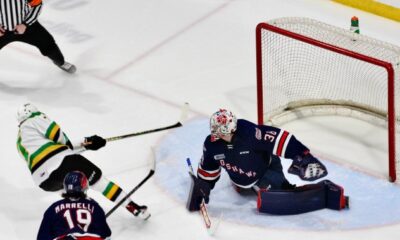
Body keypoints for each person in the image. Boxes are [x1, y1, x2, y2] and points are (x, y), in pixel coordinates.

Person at [187, 109, 348, 215]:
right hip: (245, 180)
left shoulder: (249, 132)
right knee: (276, 189)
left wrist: (302, 155)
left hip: (267, 165)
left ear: (233, 128)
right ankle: (250, 187)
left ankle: (280, 185)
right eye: (216, 132)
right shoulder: (211, 145)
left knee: (282, 185)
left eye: (223, 131)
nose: (219, 135)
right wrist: (203, 186)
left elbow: (278, 138)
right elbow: (208, 167)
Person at [16, 103, 150, 220]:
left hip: (45, 182)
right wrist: (87, 143)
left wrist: (87, 144)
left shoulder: (19, 142)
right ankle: (134, 208)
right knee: (99, 182)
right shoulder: (35, 118)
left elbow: (53, 152)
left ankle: (79, 221)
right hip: (63, 163)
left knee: (73, 194)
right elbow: (61, 141)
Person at [0, 0, 76, 73]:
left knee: (47, 42)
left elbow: (37, 4)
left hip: (27, 26)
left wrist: (25, 24)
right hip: (2, 30)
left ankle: (60, 62)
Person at [37, 171, 112, 240]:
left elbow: (42, 237)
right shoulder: (94, 206)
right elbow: (106, 236)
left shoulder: (53, 208)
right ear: (84, 186)